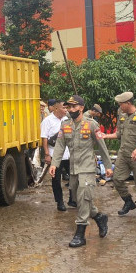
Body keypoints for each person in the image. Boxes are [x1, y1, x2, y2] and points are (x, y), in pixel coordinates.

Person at [49, 95, 113, 248]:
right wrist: (54, 164)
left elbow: (101, 146)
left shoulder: (91, 125)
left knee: (84, 199)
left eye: (74, 107)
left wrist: (108, 166)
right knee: (80, 201)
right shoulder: (65, 125)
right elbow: (59, 146)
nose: (71, 109)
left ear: (81, 108)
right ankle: (99, 217)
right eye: (69, 107)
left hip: (87, 168)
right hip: (73, 169)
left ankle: (80, 234)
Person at [102, 92, 136, 219]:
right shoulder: (122, 115)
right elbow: (118, 133)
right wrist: (105, 136)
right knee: (117, 179)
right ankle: (128, 202)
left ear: (128, 103)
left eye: (121, 104)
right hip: (123, 154)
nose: (119, 106)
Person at [40, 100, 71, 211]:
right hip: (55, 155)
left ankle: (73, 199)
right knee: (56, 180)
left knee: (73, 177)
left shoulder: (67, 120)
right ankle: (60, 202)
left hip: (68, 153)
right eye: (64, 108)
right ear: (57, 108)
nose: (66, 110)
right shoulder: (47, 121)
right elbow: (44, 138)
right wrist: (47, 154)